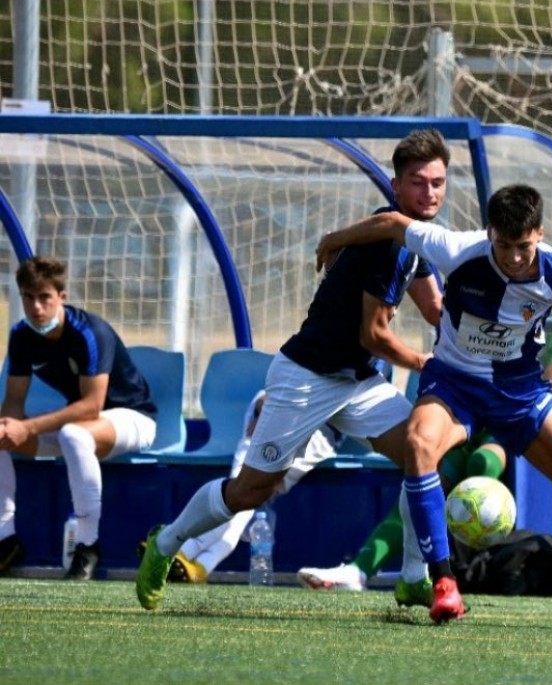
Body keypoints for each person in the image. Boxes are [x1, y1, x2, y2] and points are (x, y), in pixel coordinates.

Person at [315, 183, 552, 632]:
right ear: (490, 233)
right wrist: (335, 239)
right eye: (504, 245)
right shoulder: (458, 249)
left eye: (524, 246)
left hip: (519, 396)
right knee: (418, 445)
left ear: (539, 234)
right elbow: (392, 223)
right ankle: (443, 584)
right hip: (454, 384)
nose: (515, 257)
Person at [135, 128, 449, 610]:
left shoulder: (411, 238)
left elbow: (435, 310)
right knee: (249, 490)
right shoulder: (387, 246)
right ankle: (165, 543)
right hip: (307, 377)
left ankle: (412, 577)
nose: (428, 193)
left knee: (421, 454)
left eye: (437, 182)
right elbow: (374, 335)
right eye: (417, 182)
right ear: (395, 185)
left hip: (357, 382)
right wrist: (422, 361)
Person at [295, 332, 552, 592]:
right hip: (480, 421)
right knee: (423, 476)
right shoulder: (506, 317)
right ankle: (359, 571)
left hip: (526, 427)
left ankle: (457, 559)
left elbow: (550, 391)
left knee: (482, 462)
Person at [0, 256, 157, 580]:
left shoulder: (89, 332)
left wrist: (27, 427)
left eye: (44, 297)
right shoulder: (21, 336)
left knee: (73, 434)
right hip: (84, 428)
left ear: (62, 297)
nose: (36, 307)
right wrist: (8, 427)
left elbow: (91, 406)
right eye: (28, 297)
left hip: (132, 420)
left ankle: (88, 546)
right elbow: (13, 401)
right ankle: (6, 539)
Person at [165, 391, 341, 585]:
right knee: (241, 496)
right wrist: (270, 413)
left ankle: (184, 555)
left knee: (244, 501)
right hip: (277, 415)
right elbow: (270, 393)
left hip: (318, 433)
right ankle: (189, 559)